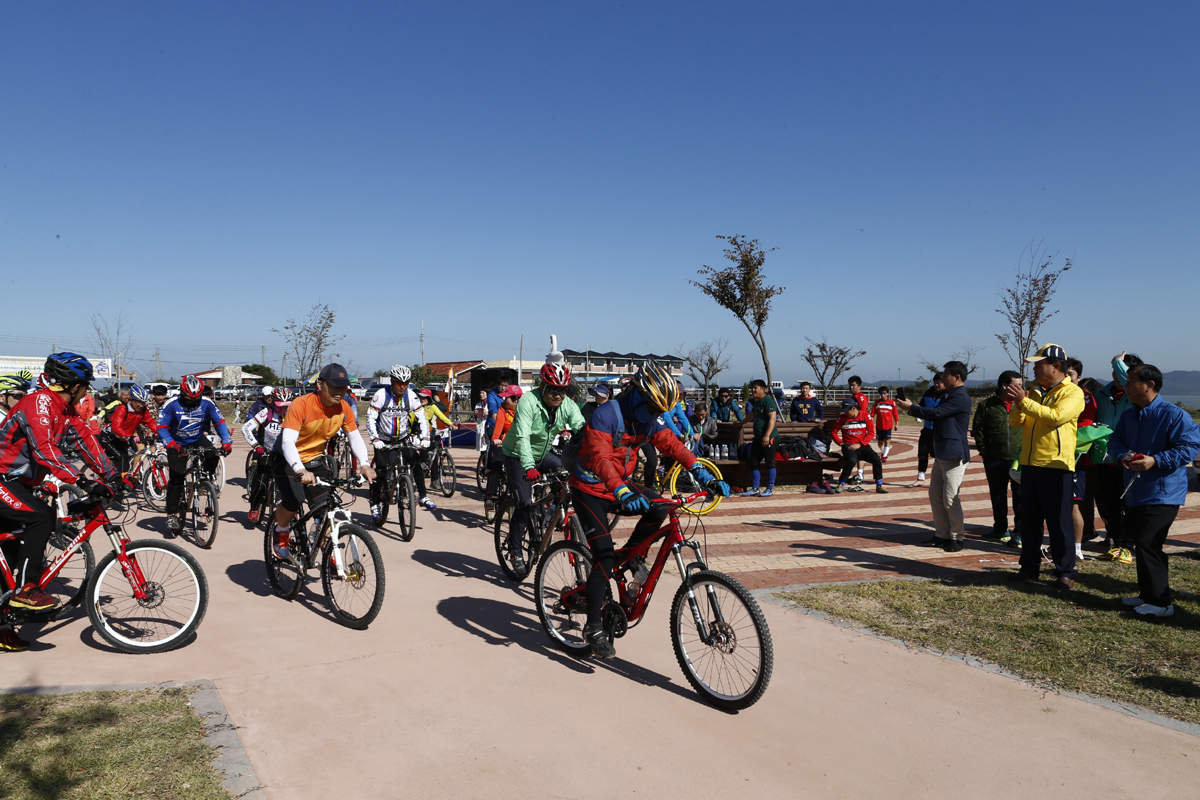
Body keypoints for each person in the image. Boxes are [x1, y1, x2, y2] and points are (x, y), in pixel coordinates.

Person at [570, 360, 729, 658]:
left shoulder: (647, 418)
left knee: (661, 507)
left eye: (660, 412)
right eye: (654, 410)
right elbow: (601, 459)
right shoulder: (606, 415)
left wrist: (703, 472)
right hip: (590, 488)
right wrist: (621, 490)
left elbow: (672, 444)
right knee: (603, 558)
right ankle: (592, 627)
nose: (657, 416)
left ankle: (631, 557)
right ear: (637, 395)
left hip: (621, 486)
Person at [0, 353, 117, 651]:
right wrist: (80, 480)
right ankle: (28, 590)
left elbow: (87, 443)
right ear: (74, 385)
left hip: (19, 483)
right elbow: (44, 450)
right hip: (3, 479)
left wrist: (115, 477)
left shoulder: (66, 411)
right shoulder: (39, 403)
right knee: (40, 518)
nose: (87, 392)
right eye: (86, 386)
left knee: (14, 551)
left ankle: (4, 623)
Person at [1108, 365, 1200, 618]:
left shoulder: (1174, 415)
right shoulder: (1129, 415)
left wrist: (1155, 460)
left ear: (1149, 385)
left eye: (1131, 382)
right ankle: (1147, 594)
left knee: (1150, 542)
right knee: (1141, 542)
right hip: (1135, 489)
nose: (1125, 386)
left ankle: (1161, 603)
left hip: (1163, 492)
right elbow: (1115, 441)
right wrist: (1124, 456)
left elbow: (1190, 447)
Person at [270, 364, 373, 561]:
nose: (339, 391)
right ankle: (281, 530)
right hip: (286, 458)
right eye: (334, 386)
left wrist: (365, 464)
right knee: (294, 501)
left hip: (315, 460)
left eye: (343, 387)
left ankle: (326, 549)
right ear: (319, 384)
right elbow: (287, 441)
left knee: (326, 507)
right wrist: (299, 469)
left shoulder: (344, 407)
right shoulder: (302, 404)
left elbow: (355, 437)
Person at [1005, 344, 1086, 589]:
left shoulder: (1072, 392)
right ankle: (1029, 566)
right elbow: (1016, 423)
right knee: (1029, 520)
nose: (1034, 370)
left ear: (1056, 366)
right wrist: (1020, 404)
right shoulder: (1034, 392)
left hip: (1056, 466)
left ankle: (1065, 572)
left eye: (1038, 365)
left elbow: (1056, 417)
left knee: (1059, 522)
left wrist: (1025, 402)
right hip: (1030, 465)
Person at [501, 362, 585, 572]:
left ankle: (550, 515)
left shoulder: (567, 405)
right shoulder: (528, 401)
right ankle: (515, 551)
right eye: (553, 390)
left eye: (562, 390)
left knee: (567, 482)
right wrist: (528, 466)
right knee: (523, 504)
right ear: (543, 387)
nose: (557, 395)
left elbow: (583, 431)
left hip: (543, 454)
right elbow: (522, 436)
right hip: (517, 455)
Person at [898, 361, 973, 551]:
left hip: (954, 454)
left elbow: (936, 413)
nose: (942, 378)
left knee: (950, 497)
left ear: (956, 377)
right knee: (935, 495)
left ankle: (957, 537)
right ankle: (941, 534)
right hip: (942, 452)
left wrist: (911, 408)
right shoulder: (948, 394)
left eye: (946, 374)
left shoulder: (960, 397)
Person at [158, 375, 233, 533]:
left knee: (213, 455)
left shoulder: (207, 403)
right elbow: (162, 427)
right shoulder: (171, 404)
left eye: (196, 399)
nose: (192, 402)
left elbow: (219, 422)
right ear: (182, 394)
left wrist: (226, 442)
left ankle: (205, 480)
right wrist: (170, 443)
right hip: (176, 442)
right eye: (188, 399)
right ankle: (172, 513)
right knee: (177, 477)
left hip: (197, 438)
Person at [1092, 352, 1144, 563]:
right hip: (1105, 459)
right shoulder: (1101, 394)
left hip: (1128, 459)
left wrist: (1117, 361)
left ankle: (1128, 547)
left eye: (1121, 370)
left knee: (1130, 505)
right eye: (1114, 369)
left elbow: (1129, 381)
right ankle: (1118, 545)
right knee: (1110, 505)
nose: (1116, 374)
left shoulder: (1135, 398)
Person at [366, 365, 432, 522]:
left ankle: (423, 496)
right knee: (381, 472)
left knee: (415, 463)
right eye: (398, 383)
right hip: (383, 439)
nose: (402, 387)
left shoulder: (411, 396)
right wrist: (375, 439)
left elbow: (422, 417)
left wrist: (425, 437)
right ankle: (375, 503)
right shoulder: (381, 395)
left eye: (405, 383)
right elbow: (370, 418)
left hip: (402, 438)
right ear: (392, 381)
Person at [972, 371, 1024, 545]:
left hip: (1019, 459)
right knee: (998, 496)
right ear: (1004, 386)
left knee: (1021, 496)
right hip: (994, 458)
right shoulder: (987, 405)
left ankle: (1020, 532)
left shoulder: (1024, 404)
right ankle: (1000, 529)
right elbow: (978, 429)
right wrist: (985, 451)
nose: (1021, 389)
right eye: (1017, 385)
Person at [1065, 358, 1098, 562]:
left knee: (1074, 504)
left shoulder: (1085, 397)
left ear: (1078, 376)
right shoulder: (1054, 394)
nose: (1067, 377)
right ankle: (1063, 544)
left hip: (1076, 459)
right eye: (1064, 373)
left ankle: (1076, 548)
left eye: (1071, 374)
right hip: (1052, 458)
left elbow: (1085, 426)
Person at [241, 386, 291, 524]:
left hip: (286, 454)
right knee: (262, 484)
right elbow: (246, 428)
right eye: (280, 406)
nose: (283, 409)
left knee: (291, 485)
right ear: (272, 402)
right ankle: (254, 507)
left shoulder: (294, 413)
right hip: (267, 451)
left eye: (286, 406)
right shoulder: (265, 413)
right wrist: (256, 445)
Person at [100, 384, 159, 496]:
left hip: (123, 438)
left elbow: (150, 422)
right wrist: (130, 437)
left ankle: (122, 481)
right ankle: (117, 487)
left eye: (143, 402)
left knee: (128, 459)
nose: (141, 405)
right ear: (131, 399)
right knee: (122, 458)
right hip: (108, 437)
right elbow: (116, 429)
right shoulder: (122, 409)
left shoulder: (143, 410)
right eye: (138, 402)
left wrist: (160, 433)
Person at [830, 398, 886, 494]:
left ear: (853, 409)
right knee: (852, 460)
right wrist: (841, 443)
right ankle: (841, 483)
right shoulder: (842, 418)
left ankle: (879, 484)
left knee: (876, 459)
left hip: (862, 445)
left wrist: (860, 444)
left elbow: (871, 433)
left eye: (846, 410)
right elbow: (833, 432)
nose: (845, 413)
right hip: (848, 446)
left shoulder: (865, 416)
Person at [483, 384, 521, 514]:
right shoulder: (502, 410)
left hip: (521, 445)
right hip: (503, 443)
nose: (504, 401)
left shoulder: (525, 410)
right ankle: (490, 498)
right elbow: (499, 426)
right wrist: (495, 438)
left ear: (516, 400)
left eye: (507, 398)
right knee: (497, 465)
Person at [740, 380, 779, 497]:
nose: (753, 391)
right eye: (752, 388)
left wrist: (767, 435)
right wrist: (740, 423)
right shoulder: (756, 402)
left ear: (763, 389)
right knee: (754, 462)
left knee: (770, 463)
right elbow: (751, 415)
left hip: (769, 438)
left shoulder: (768, 401)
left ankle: (770, 488)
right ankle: (755, 488)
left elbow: (772, 418)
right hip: (757, 438)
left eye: (755, 388)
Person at [912, 374, 944, 486]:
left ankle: (941, 479)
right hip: (927, 429)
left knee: (939, 455)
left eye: (939, 382)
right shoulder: (928, 393)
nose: (937, 384)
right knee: (922, 452)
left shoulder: (948, 395)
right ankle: (921, 477)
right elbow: (921, 406)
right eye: (935, 382)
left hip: (940, 431)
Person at [872, 386, 899, 465]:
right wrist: (870, 420)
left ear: (887, 393)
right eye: (881, 393)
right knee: (880, 443)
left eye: (884, 393)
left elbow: (895, 414)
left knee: (887, 441)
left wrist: (896, 423)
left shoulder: (891, 403)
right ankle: (883, 452)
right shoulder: (876, 403)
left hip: (888, 426)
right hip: (879, 426)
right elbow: (873, 413)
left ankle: (884, 456)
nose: (882, 395)